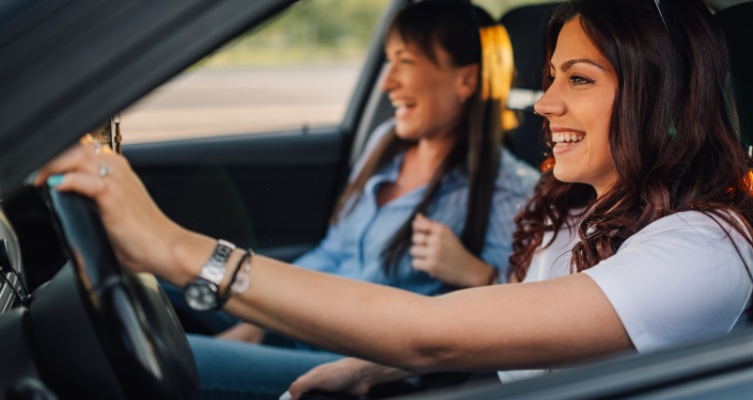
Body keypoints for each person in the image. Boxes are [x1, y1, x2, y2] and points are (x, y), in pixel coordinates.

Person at [35, 0, 753, 398]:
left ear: (661, 95)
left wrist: (176, 249)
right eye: (549, 76)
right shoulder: (586, 209)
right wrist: (374, 368)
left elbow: (434, 331)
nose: (542, 104)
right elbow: (486, 334)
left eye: (578, 80)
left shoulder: (703, 248)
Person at [159, 2, 538, 399]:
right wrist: (263, 319)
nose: (386, 83)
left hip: (358, 363)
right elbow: (332, 252)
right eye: (388, 61)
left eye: (404, 61)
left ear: (466, 80)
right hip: (299, 323)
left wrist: (478, 275)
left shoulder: (509, 191)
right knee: (157, 281)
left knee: (173, 361)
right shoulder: (385, 143)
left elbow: (512, 322)